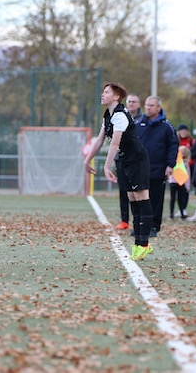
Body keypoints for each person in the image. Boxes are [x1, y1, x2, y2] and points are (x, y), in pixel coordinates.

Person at [84, 82, 154, 261]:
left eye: (106, 92)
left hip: (137, 160)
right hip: (125, 161)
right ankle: (138, 243)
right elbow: (100, 140)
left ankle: (144, 244)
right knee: (133, 200)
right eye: (103, 92)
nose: (103, 94)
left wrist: (106, 166)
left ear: (116, 97)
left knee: (142, 199)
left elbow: (115, 143)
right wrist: (87, 160)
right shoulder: (108, 115)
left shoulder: (120, 115)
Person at [135, 96, 179, 236]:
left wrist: (170, 165)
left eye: (152, 105)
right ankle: (140, 225)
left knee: (155, 199)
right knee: (140, 199)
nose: (148, 108)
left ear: (159, 108)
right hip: (140, 168)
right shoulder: (138, 124)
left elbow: (173, 147)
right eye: (147, 105)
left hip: (158, 169)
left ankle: (153, 226)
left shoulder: (167, 127)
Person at [115, 93, 144, 231]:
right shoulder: (120, 117)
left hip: (136, 160)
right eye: (129, 101)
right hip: (121, 158)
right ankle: (124, 220)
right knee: (124, 190)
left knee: (137, 191)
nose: (131, 104)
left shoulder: (143, 120)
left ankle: (138, 220)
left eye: (134, 101)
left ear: (139, 104)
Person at [168, 146, 191, 220]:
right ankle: (171, 214)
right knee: (172, 199)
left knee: (181, 199)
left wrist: (187, 186)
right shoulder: (174, 161)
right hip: (173, 182)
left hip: (181, 182)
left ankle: (182, 213)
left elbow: (187, 175)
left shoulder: (185, 163)